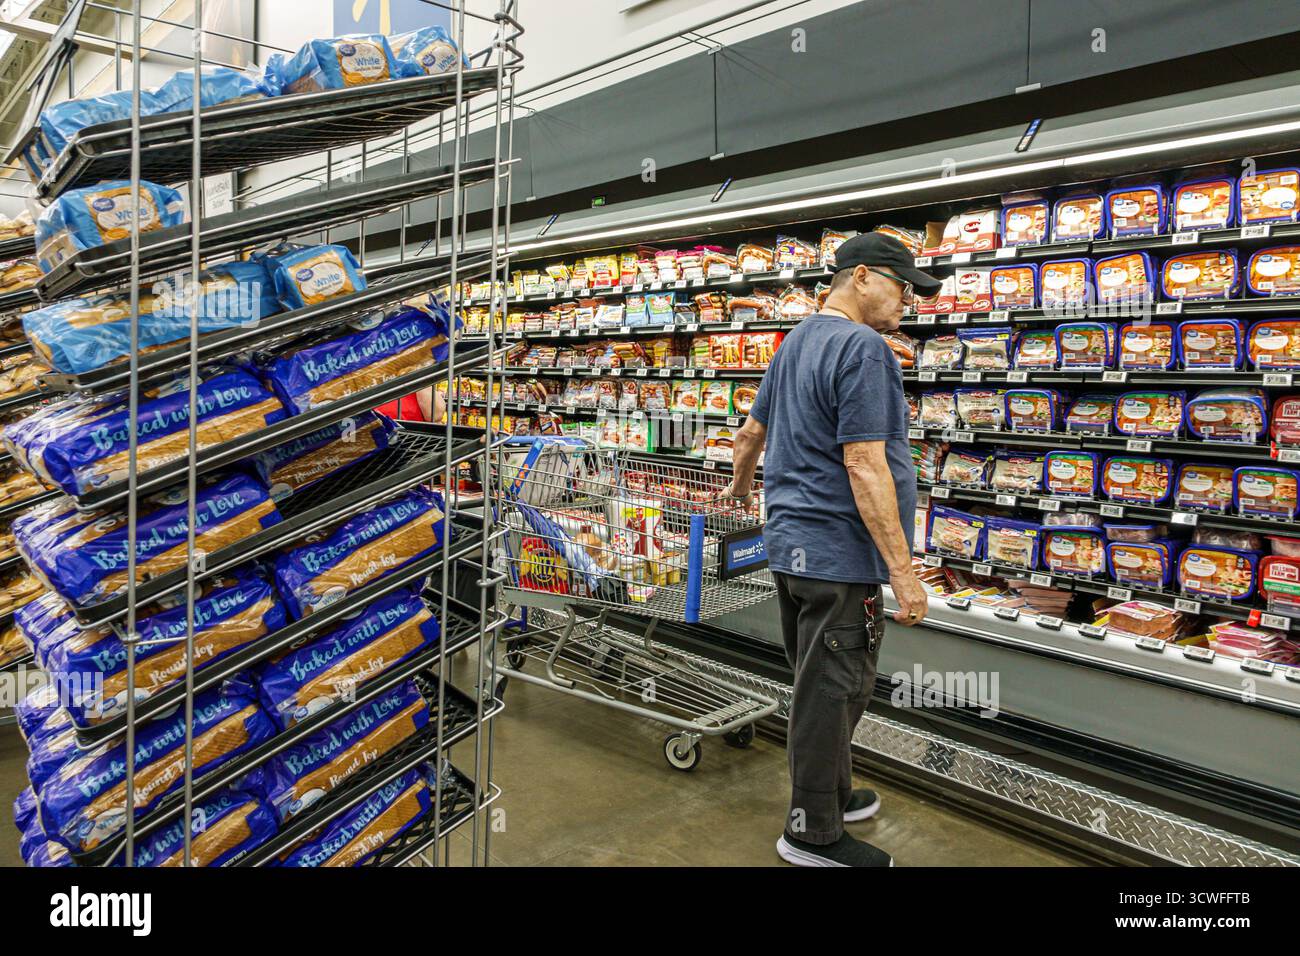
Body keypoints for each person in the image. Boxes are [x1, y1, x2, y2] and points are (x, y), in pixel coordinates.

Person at [721, 232, 942, 867]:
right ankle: (811, 832)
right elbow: (865, 464)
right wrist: (903, 573)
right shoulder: (863, 347)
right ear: (864, 277)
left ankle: (832, 796)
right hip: (840, 551)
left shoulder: (796, 341)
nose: (907, 302)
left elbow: (749, 433)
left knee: (818, 678)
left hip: (792, 543)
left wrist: (741, 490)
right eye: (903, 288)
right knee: (834, 687)